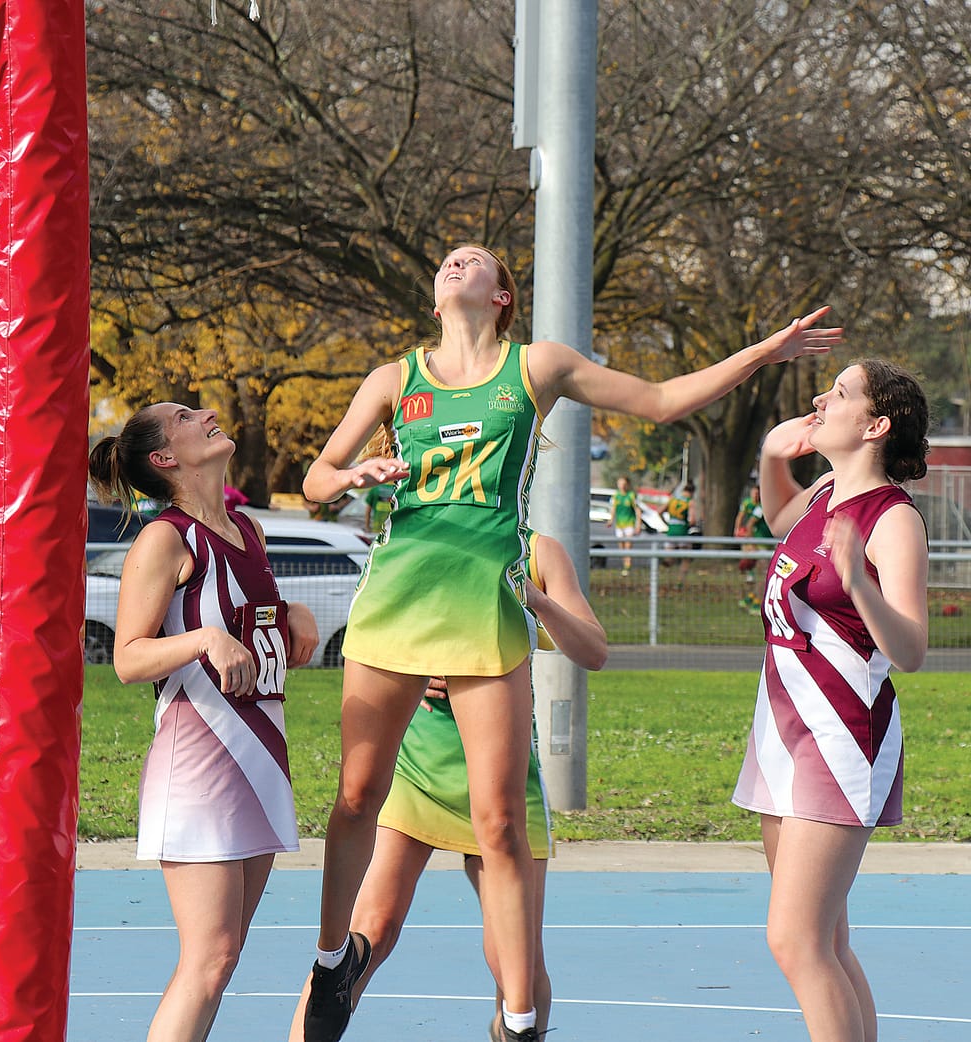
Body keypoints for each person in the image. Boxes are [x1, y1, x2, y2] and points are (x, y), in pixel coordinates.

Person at [299, 241, 841, 1042]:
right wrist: (347, 479)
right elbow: (315, 477)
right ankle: (330, 955)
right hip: (397, 601)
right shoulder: (393, 379)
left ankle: (520, 1020)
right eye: (447, 260)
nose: (455, 263)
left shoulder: (536, 366)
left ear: (504, 295)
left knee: (502, 824)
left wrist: (771, 349)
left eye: (473, 258)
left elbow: (660, 401)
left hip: (481, 605)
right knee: (353, 799)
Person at [287, 530, 606, 1042]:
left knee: (514, 961)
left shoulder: (538, 551)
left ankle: (521, 1030)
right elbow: (374, 642)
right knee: (371, 930)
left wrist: (535, 598)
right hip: (419, 764)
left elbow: (594, 651)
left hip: (502, 779)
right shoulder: (407, 542)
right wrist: (421, 666)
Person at [88, 404, 320, 1042]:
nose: (210, 413)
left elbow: (252, 621)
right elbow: (128, 657)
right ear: (165, 459)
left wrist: (293, 610)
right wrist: (201, 640)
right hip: (200, 764)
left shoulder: (246, 529)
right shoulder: (165, 538)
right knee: (207, 960)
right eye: (188, 417)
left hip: (260, 761)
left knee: (221, 961)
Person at [731, 359, 929, 1042]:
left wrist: (858, 582)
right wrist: (767, 456)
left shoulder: (892, 520)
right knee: (827, 941)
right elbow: (777, 515)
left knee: (796, 940)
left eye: (839, 393)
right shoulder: (822, 492)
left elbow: (910, 649)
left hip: (841, 737)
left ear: (876, 425)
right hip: (783, 731)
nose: (820, 398)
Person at [734, 484, 771, 605]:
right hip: (761, 543)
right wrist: (752, 543)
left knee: (761, 572)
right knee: (764, 573)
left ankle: (750, 597)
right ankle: (756, 601)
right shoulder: (760, 507)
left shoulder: (766, 505)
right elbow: (749, 523)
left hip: (767, 543)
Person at [662, 481, 697, 582]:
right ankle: (680, 581)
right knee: (686, 558)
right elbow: (693, 520)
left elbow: (659, 511)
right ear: (692, 492)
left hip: (671, 531)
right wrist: (690, 525)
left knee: (669, 557)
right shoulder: (689, 501)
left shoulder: (672, 499)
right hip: (682, 532)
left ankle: (666, 579)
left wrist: (667, 523)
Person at [608, 474, 638, 575]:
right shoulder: (616, 495)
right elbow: (613, 509)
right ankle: (625, 565)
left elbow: (637, 510)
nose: (622, 486)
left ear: (628, 485)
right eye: (620, 484)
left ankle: (627, 567)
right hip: (619, 525)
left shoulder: (631, 495)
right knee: (621, 547)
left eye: (624, 484)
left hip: (629, 523)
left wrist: (638, 524)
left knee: (628, 546)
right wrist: (611, 520)